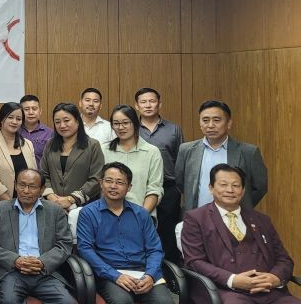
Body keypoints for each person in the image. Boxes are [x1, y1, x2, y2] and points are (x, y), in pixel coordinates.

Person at [181, 164, 301, 304]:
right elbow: (194, 261)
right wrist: (233, 280)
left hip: (270, 292)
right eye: (223, 185)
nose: (230, 190)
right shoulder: (195, 218)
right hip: (228, 292)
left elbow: (284, 259)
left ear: (243, 191)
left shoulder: (261, 220)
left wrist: (275, 278)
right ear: (211, 188)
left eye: (236, 185)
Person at [77, 162, 178, 304]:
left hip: (144, 273)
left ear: (129, 187)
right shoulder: (88, 213)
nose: (113, 186)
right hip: (110, 275)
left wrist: (151, 275)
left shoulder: (141, 214)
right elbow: (85, 249)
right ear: (101, 183)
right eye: (108, 181)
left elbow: (155, 250)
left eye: (119, 182)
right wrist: (115, 275)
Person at [0, 169, 78, 304]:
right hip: (12, 272)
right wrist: (15, 260)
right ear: (15, 185)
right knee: (8, 303)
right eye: (21, 185)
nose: (26, 190)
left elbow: (64, 244)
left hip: (46, 272)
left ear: (42, 189)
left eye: (32, 186)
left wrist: (42, 262)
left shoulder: (55, 211)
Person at [175, 100, 267, 211]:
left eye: (216, 120)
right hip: (196, 217)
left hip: (234, 218)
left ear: (229, 123)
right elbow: (181, 183)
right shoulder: (186, 150)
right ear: (200, 124)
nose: (210, 125)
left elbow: (260, 187)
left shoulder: (248, 152)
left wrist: (241, 206)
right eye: (205, 120)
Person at [134, 88, 185, 262]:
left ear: (159, 104)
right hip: (139, 187)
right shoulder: (131, 129)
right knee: (142, 230)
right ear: (137, 106)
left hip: (168, 187)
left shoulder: (173, 129)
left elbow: (181, 159)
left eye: (152, 101)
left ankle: (171, 272)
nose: (148, 105)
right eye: (143, 102)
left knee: (168, 232)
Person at [39, 103, 104, 237]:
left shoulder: (92, 145)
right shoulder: (50, 144)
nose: (62, 125)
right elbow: (43, 174)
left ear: (77, 121)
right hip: (52, 207)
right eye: (57, 122)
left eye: (66, 120)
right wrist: (51, 197)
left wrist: (71, 199)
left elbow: (96, 178)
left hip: (84, 208)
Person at [101, 104, 164, 214]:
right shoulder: (104, 150)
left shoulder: (152, 152)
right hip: (107, 214)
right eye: (116, 123)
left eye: (125, 123)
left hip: (141, 215)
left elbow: (154, 189)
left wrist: (141, 216)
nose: (120, 127)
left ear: (135, 123)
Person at [0, 102, 37, 208]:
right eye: (10, 117)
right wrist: (11, 202)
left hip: (26, 206)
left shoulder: (27, 144)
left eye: (18, 119)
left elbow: (34, 175)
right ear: (2, 119)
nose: (14, 122)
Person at [19, 95, 53, 167]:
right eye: (26, 109)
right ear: (20, 112)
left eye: (34, 109)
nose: (31, 112)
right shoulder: (14, 132)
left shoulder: (49, 134)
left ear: (40, 111)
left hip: (41, 176)